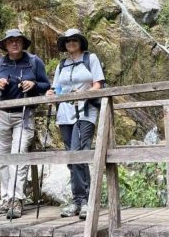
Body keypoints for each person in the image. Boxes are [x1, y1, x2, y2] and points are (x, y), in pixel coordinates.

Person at [0, 28, 50, 219]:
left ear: (23, 43)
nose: (14, 44)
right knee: (2, 158)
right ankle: (6, 199)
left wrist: (34, 85)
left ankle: (17, 200)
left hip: (24, 116)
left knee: (18, 156)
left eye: (18, 40)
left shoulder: (34, 62)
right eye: (10, 41)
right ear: (5, 45)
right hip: (1, 115)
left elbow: (46, 86)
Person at [46, 28, 105, 220]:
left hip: (85, 112)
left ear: (80, 42)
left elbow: (98, 84)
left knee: (78, 153)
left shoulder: (91, 59)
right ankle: (78, 200)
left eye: (74, 39)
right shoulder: (61, 65)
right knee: (71, 158)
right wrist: (50, 93)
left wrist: (83, 95)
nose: (71, 42)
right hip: (64, 114)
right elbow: (55, 88)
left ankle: (86, 201)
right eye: (67, 40)